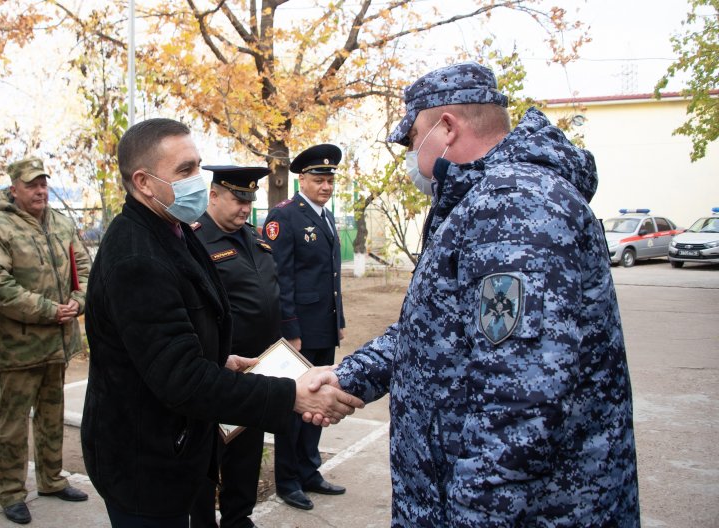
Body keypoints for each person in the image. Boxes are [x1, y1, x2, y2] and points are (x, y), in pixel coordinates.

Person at [305, 62, 640, 526]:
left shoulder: (515, 205)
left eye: (412, 138)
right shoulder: (480, 201)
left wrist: (474, 515)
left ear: (445, 128)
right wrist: (348, 378)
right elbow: (434, 331)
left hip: (532, 511)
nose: (408, 157)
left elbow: (521, 402)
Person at [80, 118, 363, 528]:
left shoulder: (170, 230)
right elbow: (181, 379)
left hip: (172, 447)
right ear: (143, 182)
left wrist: (220, 359)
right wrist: (290, 396)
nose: (200, 180)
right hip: (145, 463)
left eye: (198, 165)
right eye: (185, 171)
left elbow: (179, 338)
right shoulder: (136, 257)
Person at [0, 157, 92, 525]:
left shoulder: (60, 222)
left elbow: (85, 267)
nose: (41, 190)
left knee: (51, 416)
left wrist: (79, 298)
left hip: (57, 344)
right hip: (19, 348)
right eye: (32, 185)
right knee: (12, 423)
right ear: (14, 190)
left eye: (43, 183)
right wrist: (47, 310)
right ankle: (10, 492)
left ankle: (51, 479)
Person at [189, 165, 280, 528]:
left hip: (257, 367)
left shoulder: (255, 238)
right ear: (213, 196)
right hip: (218, 367)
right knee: (209, 452)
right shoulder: (195, 239)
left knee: (247, 449)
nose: (245, 207)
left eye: (249, 199)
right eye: (237, 199)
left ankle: (238, 518)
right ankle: (201, 521)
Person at [262, 144, 346, 511]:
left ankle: (309, 470)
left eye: (329, 179)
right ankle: (288, 480)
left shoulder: (325, 217)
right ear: (301, 179)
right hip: (299, 331)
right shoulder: (285, 216)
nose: (325, 186)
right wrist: (290, 329)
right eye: (318, 179)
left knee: (319, 404)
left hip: (323, 327)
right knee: (295, 407)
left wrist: (337, 321)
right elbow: (278, 279)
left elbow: (330, 277)